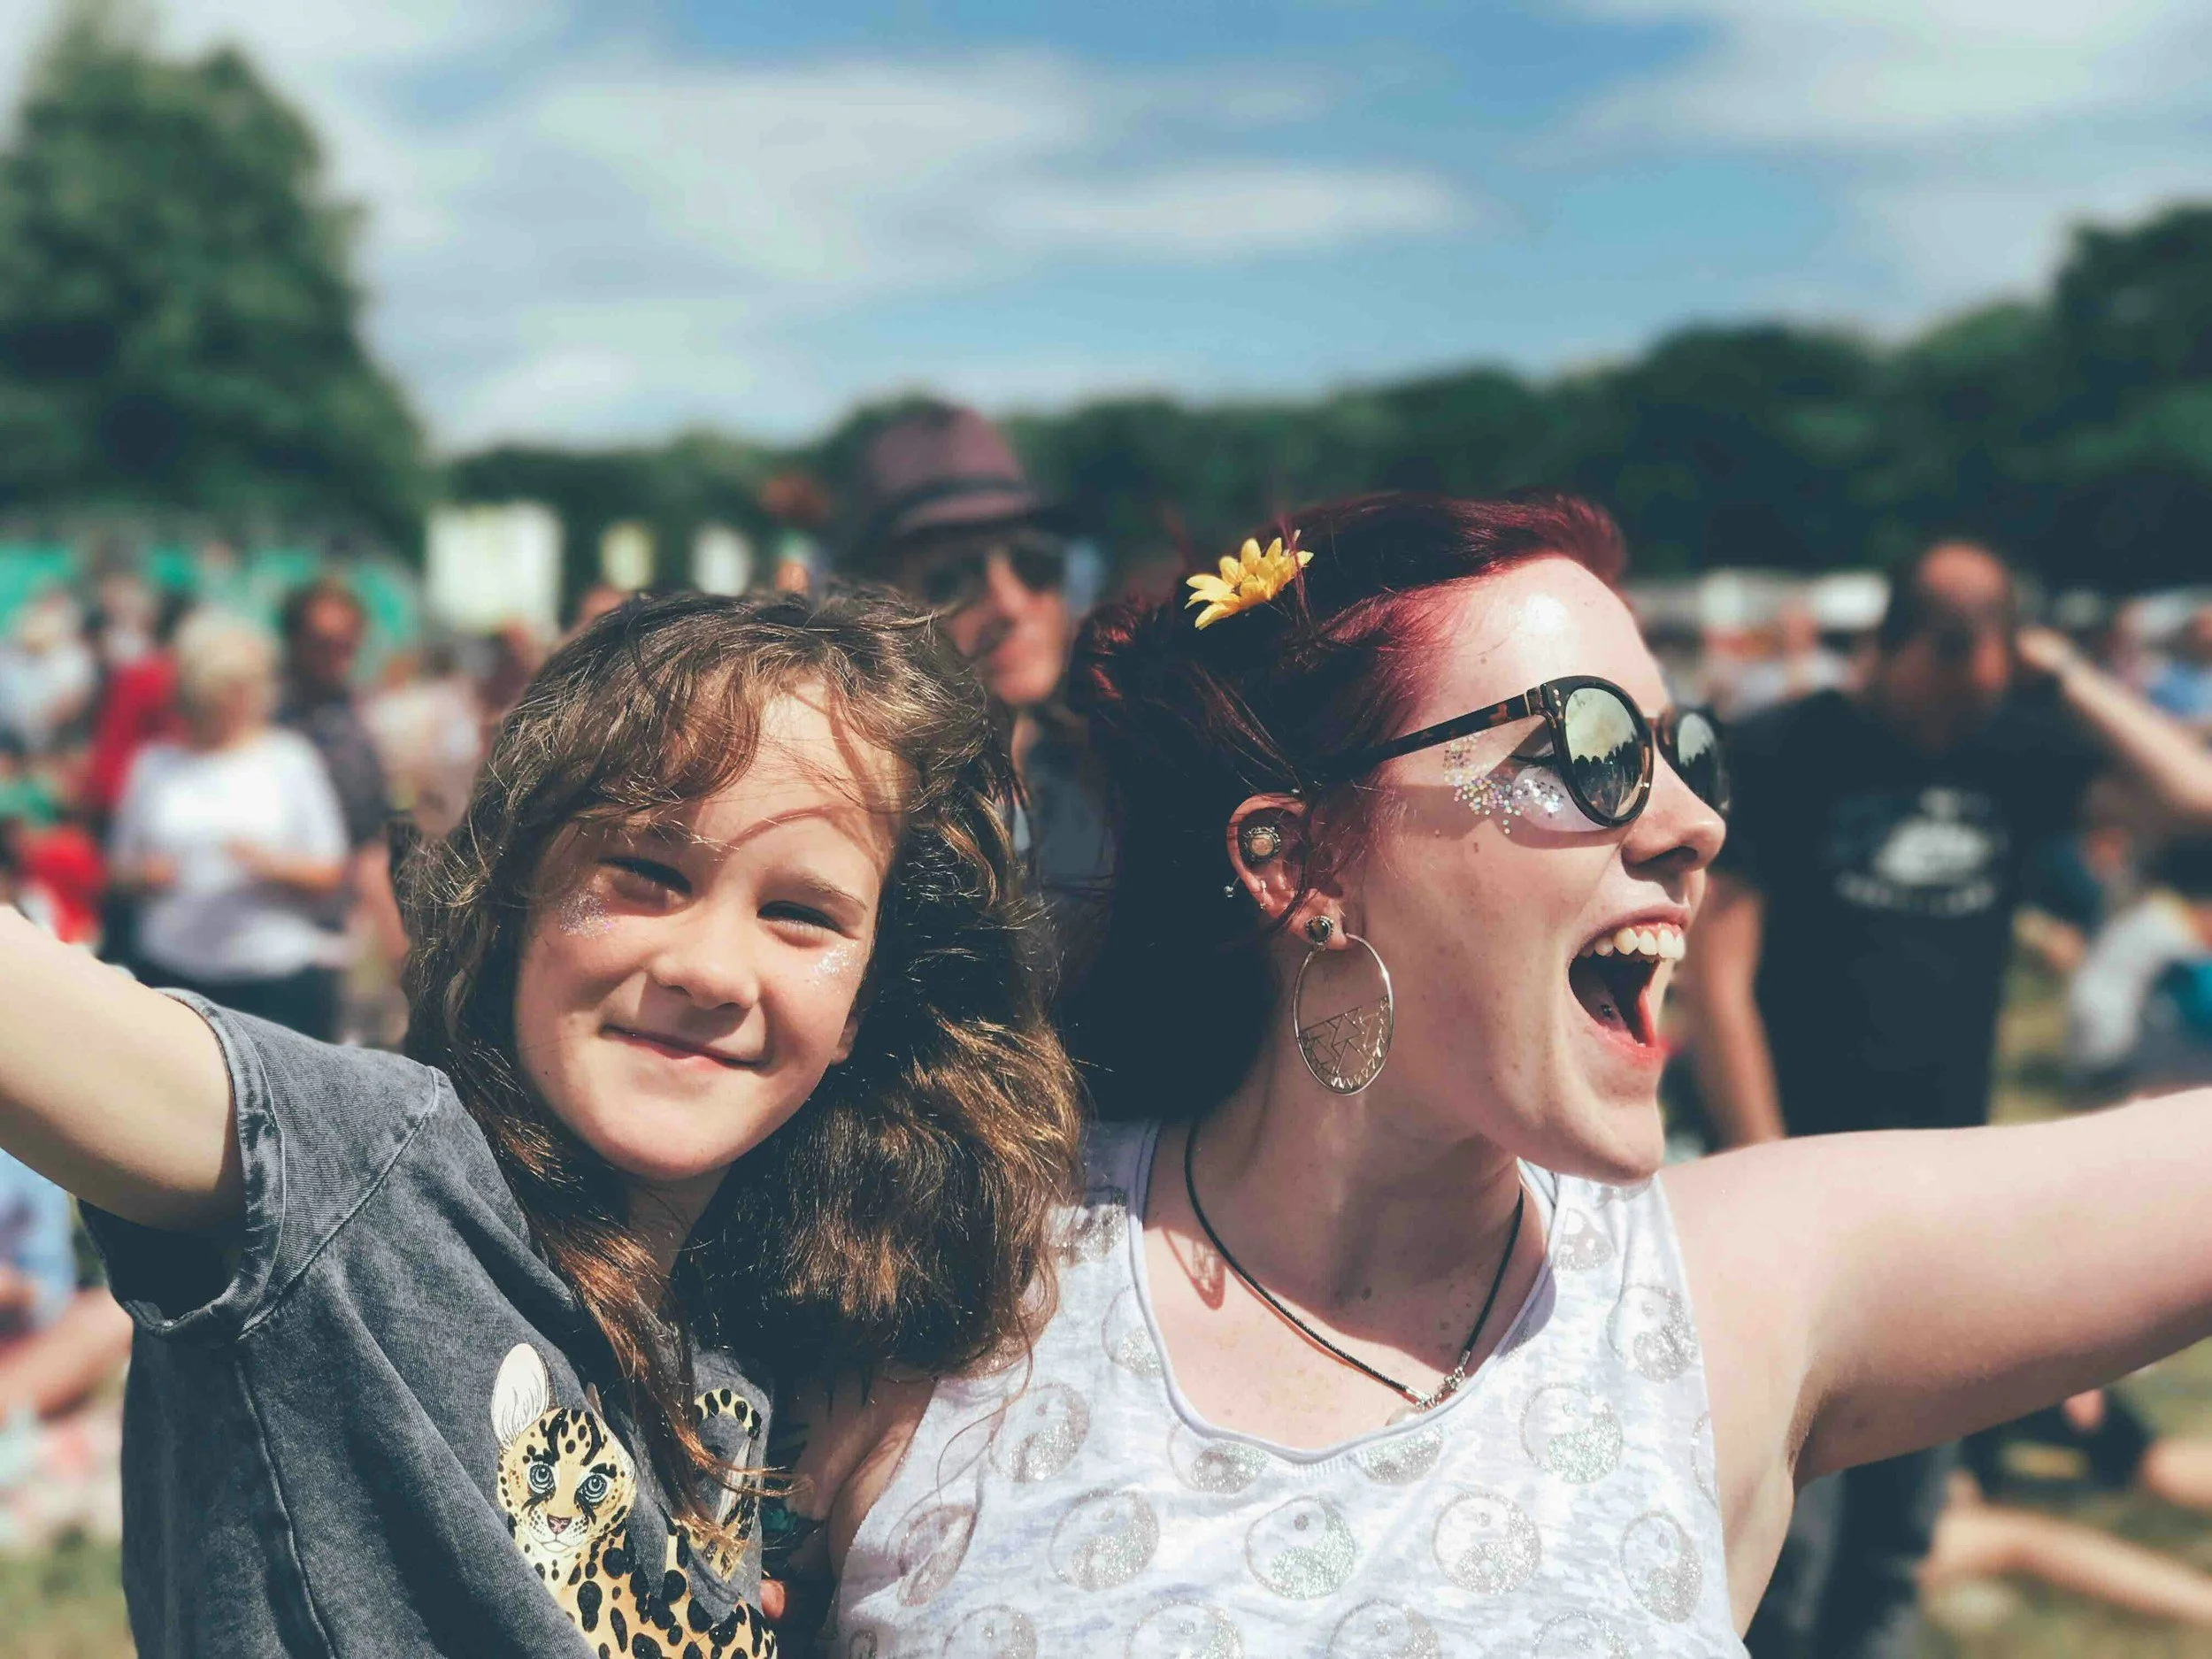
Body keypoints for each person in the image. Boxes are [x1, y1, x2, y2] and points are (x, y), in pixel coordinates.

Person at [758, 493, 2212, 1658]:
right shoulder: (957, 1268)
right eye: (1590, 748)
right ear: (1300, 859)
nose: (1696, 819)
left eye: (1682, 748)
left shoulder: (1727, 1298)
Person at [0, 588, 1081, 1655]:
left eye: (800, 915)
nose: (709, 969)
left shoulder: (759, 1364)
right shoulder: (369, 1182)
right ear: (516, 897)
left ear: (861, 1011)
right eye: (648, 874)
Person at [1678, 540, 2212, 1658]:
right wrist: (1767, 1174)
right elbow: (1720, 975)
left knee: (1893, 1538)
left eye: (1981, 688)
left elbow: (2193, 796)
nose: (1948, 722)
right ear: (1892, 646)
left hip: (1942, 1188)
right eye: (1938, 683)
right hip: (1801, 1179)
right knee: (1786, 1541)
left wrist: (2062, 676)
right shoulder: (1789, 745)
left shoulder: (2008, 743)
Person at [840, 403, 1111, 947]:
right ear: (875, 604)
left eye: (1035, 564)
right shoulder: (859, 804)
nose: (1010, 603)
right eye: (952, 579)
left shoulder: (1114, 767)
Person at [105, 611, 353, 1037]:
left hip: (274, 977)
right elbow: (118, 869)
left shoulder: (289, 759)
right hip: (172, 972)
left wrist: (270, 864)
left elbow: (331, 870)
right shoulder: (155, 764)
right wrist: (146, 875)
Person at [277, 578, 407, 972]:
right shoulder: (263, 719)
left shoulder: (356, 717)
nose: (337, 655)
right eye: (323, 641)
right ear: (295, 640)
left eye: (347, 642)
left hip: (344, 921)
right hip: (278, 922)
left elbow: (371, 830)